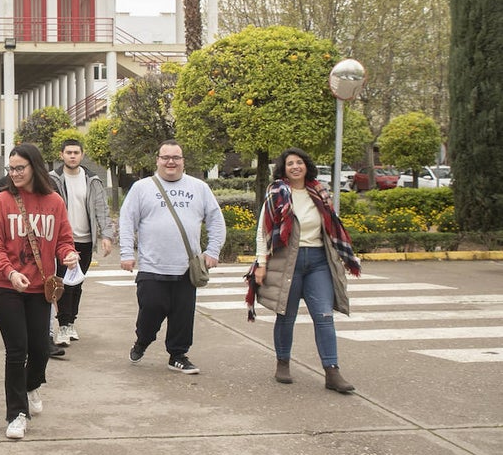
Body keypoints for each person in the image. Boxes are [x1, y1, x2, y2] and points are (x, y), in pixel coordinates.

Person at [247, 148, 362, 393]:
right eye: (290, 163)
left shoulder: (319, 191)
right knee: (286, 316)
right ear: (284, 168)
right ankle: (283, 363)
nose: (296, 166)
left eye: (299, 162)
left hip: (318, 261)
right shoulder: (276, 192)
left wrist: (342, 256)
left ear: (307, 165)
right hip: (288, 260)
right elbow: (263, 230)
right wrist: (261, 264)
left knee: (324, 316)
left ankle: (332, 371)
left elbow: (332, 224)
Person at [0, 144, 78, 439]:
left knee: (40, 348)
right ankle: (16, 414)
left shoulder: (54, 202)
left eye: (19, 168)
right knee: (17, 350)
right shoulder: (2, 201)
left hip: (40, 287)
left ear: (34, 167)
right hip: (4, 285)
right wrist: (10, 272)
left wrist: (68, 254)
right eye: (10, 169)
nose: (13, 174)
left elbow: (64, 239)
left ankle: (32, 384)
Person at [119, 140, 225, 375]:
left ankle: (177, 355)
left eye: (176, 157)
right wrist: (126, 253)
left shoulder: (199, 188)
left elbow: (216, 219)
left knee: (182, 315)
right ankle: (142, 341)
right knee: (152, 308)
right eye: (165, 157)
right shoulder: (141, 188)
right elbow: (127, 221)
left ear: (182, 161)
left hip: (186, 267)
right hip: (152, 266)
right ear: (157, 160)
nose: (171, 162)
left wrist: (213, 250)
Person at [50, 138, 116, 345]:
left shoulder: (92, 180)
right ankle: (62, 326)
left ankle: (70, 323)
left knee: (77, 283)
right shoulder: (52, 179)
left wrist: (106, 236)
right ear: (61, 155)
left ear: (82, 154)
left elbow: (102, 210)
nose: (72, 156)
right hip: (61, 242)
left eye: (76, 152)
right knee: (62, 284)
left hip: (85, 240)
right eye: (68, 152)